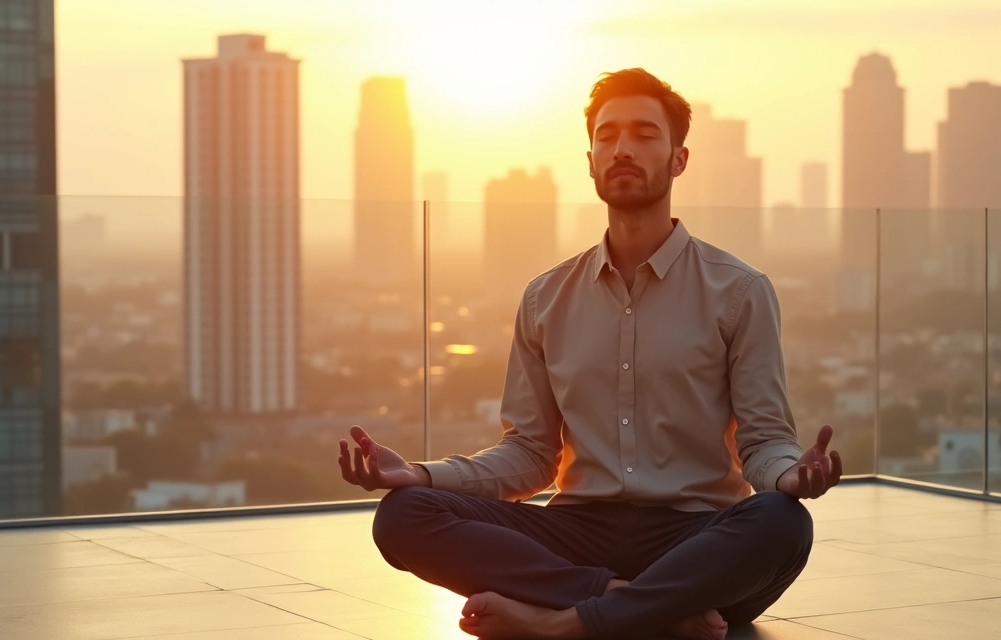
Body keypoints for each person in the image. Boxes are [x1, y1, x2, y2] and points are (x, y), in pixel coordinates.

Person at [337, 68, 842, 640]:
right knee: (404, 515)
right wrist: (420, 473)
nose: (623, 149)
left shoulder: (740, 291)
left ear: (679, 159)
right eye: (608, 136)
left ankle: (562, 623)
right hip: (578, 535)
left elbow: (762, 441)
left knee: (782, 523)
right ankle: (637, 608)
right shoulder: (546, 296)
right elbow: (530, 455)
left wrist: (790, 475)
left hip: (695, 538)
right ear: (591, 158)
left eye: (645, 135)